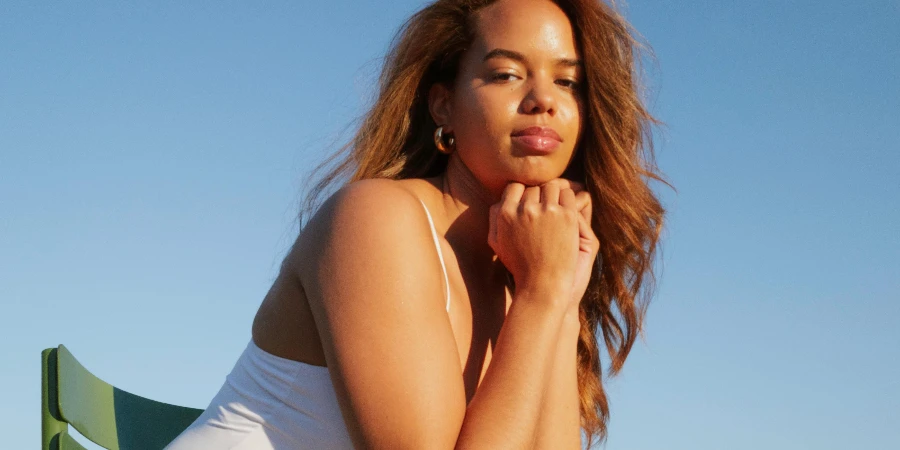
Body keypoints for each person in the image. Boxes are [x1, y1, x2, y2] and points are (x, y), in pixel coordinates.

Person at [166, 0, 665, 448]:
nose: (543, 100)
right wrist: (541, 299)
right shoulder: (376, 218)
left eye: (567, 82)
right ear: (443, 104)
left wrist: (558, 294)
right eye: (506, 74)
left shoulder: (528, 275)